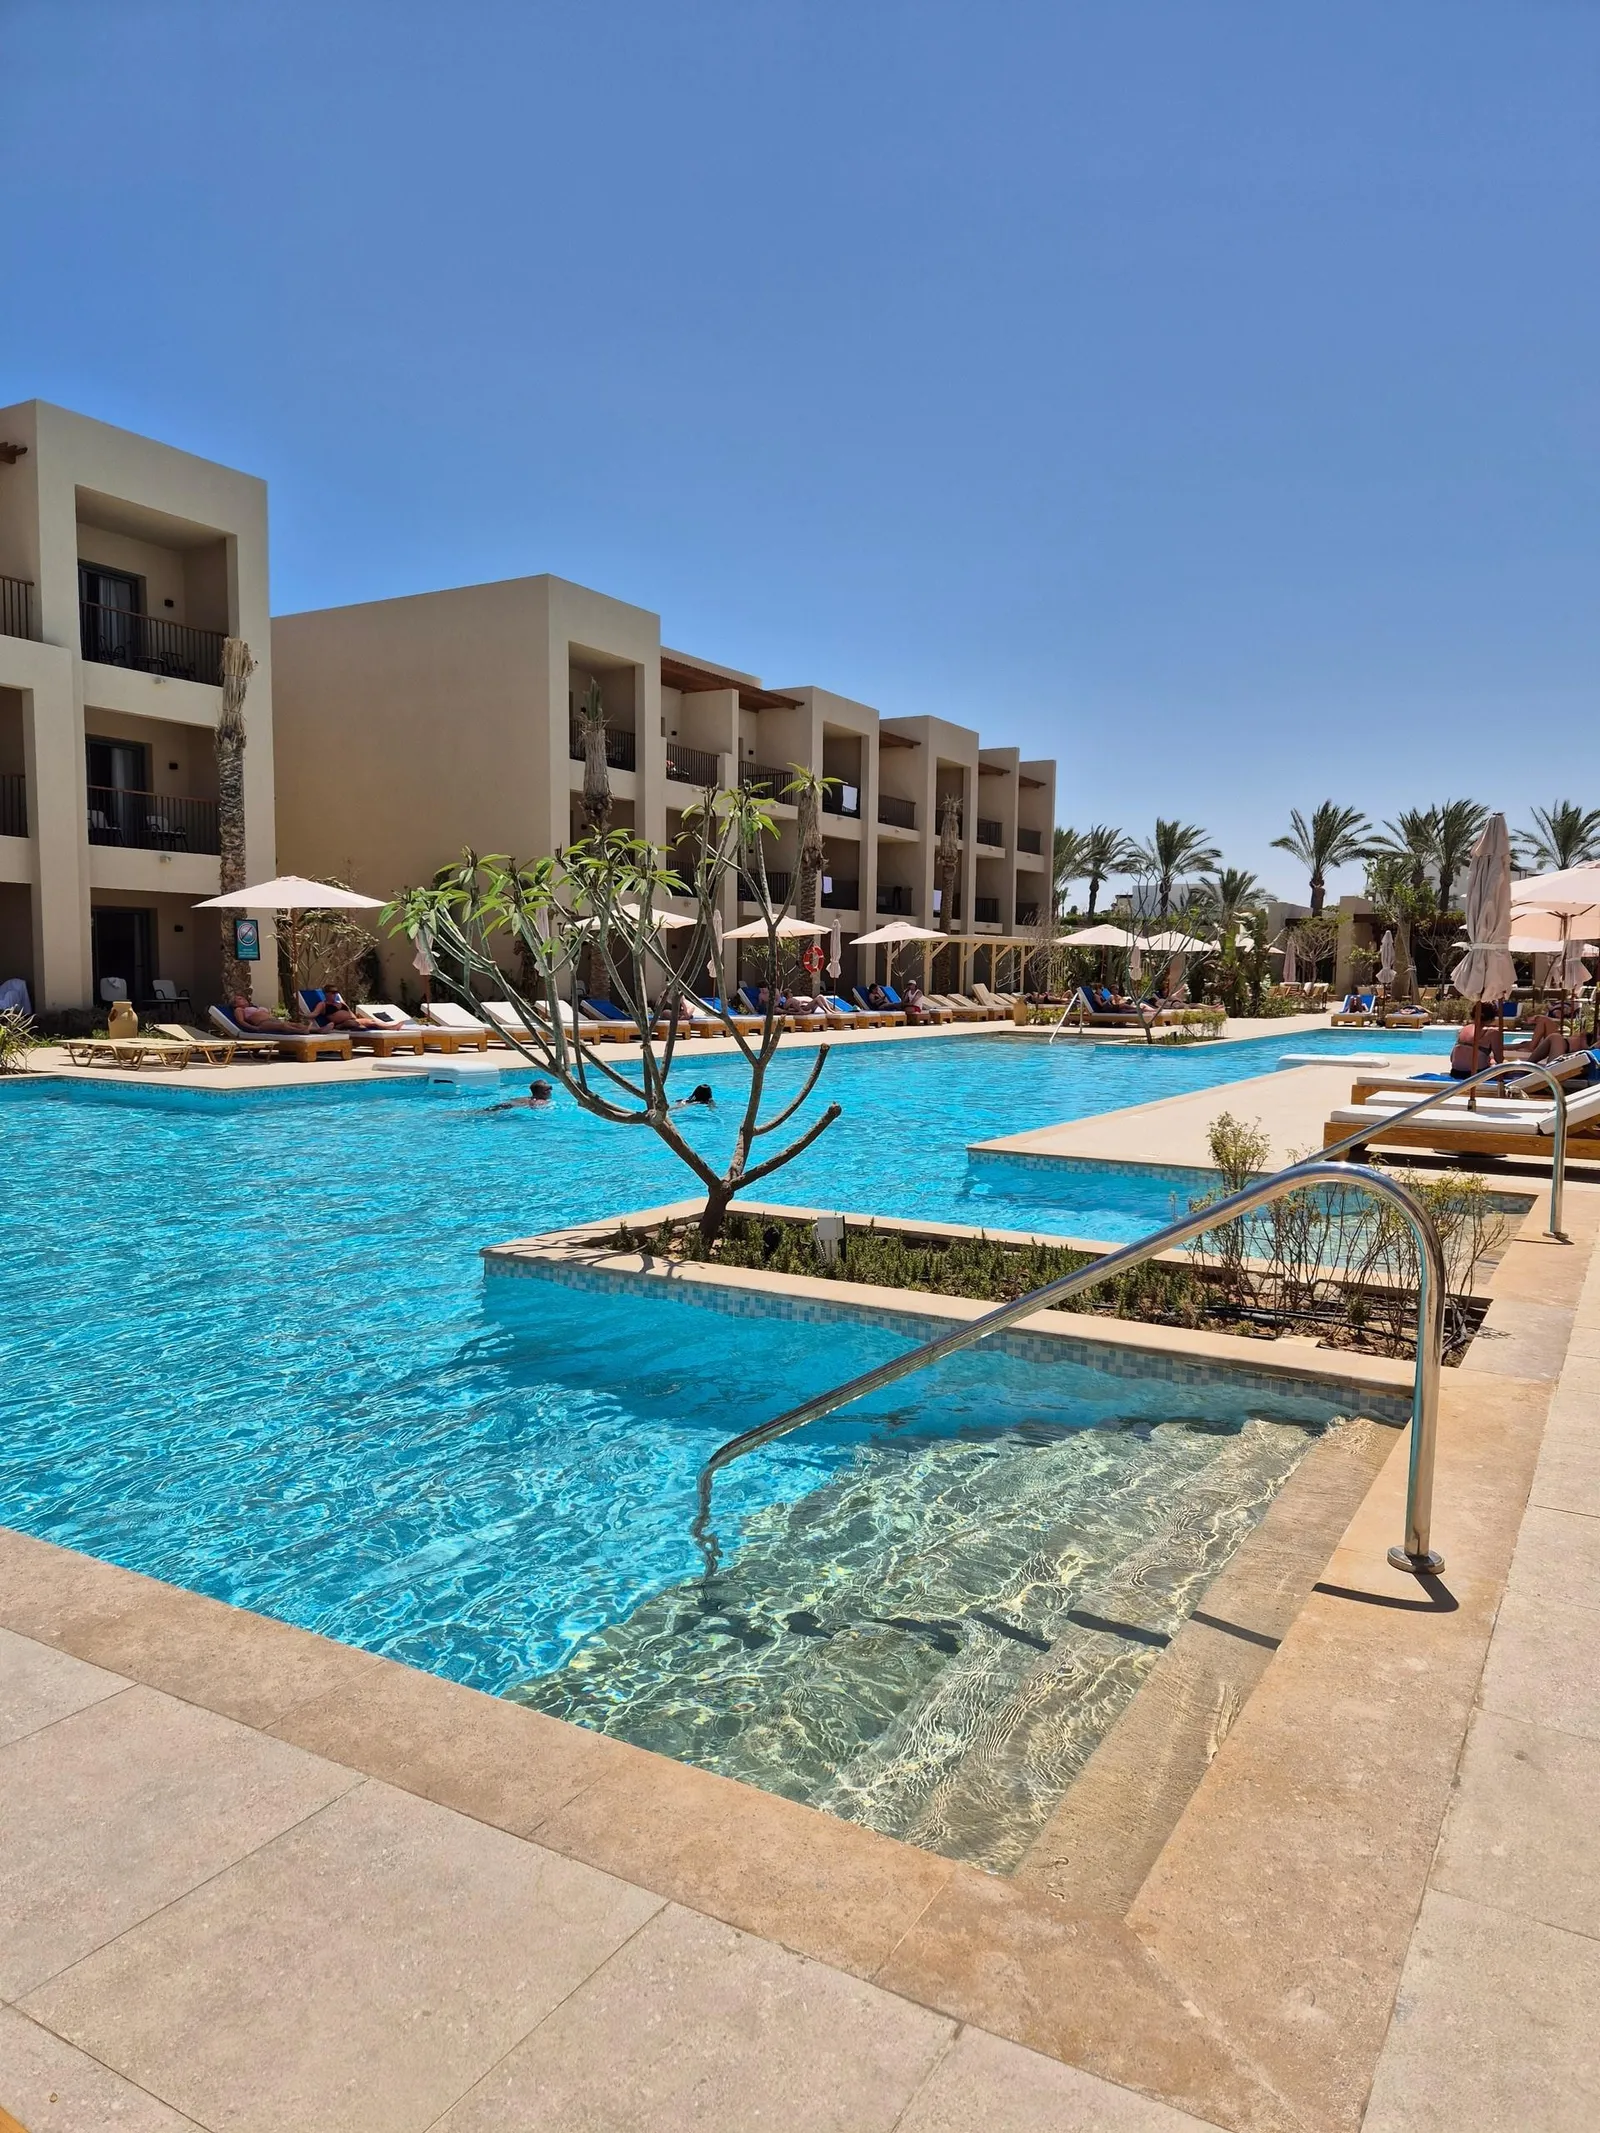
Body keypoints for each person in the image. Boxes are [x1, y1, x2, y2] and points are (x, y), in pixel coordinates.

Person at [1450, 1005, 1503, 1079]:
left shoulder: (1463, 1030)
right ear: (1492, 1017)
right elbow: (1499, 1059)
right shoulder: (1492, 1032)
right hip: (1476, 1075)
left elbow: (1451, 1058)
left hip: (1455, 1072)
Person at [228, 993, 315, 1033]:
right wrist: (254, 1028)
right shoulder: (239, 1010)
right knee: (283, 1026)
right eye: (240, 999)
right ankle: (302, 1031)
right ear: (235, 1004)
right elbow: (241, 1021)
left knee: (294, 1024)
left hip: (272, 1019)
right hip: (263, 1023)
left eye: (243, 997)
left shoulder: (252, 1007)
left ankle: (317, 1030)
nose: (243, 999)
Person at [307, 988, 383, 1030]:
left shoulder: (340, 1002)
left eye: (336, 992)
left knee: (373, 1021)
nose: (335, 994)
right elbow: (314, 1013)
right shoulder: (322, 1004)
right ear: (326, 993)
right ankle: (344, 1026)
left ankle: (389, 1027)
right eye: (332, 992)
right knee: (353, 1023)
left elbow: (349, 1011)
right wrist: (304, 1015)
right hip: (339, 1024)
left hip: (351, 1020)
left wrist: (355, 1017)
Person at [484, 1079, 554, 1113]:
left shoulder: (524, 1098)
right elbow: (536, 1108)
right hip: (512, 1108)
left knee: (487, 1111)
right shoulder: (542, 1102)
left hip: (508, 1104)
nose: (551, 1091)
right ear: (545, 1092)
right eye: (550, 1088)